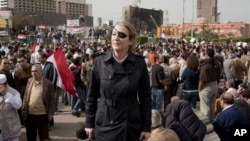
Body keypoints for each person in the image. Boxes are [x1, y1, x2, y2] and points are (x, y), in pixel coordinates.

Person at [85, 22, 151, 141]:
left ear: (130, 41)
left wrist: (146, 127)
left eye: (121, 35)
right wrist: (89, 123)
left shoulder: (139, 64)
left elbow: (146, 98)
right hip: (105, 121)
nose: (116, 38)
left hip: (130, 123)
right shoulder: (100, 62)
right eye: (114, 34)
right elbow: (92, 96)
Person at [21, 64, 55, 141]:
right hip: (30, 115)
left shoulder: (48, 83)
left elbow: (52, 100)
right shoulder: (29, 81)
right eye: (32, 71)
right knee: (30, 136)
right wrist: (23, 109)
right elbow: (26, 96)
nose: (33, 73)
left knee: (44, 137)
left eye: (36, 71)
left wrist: (50, 113)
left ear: (41, 72)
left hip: (42, 115)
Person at [199, 48, 221, 123]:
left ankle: (206, 124)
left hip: (206, 86)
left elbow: (202, 79)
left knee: (205, 108)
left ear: (207, 55)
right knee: (212, 106)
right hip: (215, 84)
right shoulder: (217, 63)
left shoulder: (205, 65)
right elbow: (219, 75)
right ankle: (212, 122)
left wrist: (200, 88)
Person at [0, 74, 22, 141]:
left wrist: (6, 94)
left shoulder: (13, 92)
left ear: (5, 84)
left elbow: (18, 105)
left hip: (11, 128)